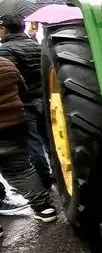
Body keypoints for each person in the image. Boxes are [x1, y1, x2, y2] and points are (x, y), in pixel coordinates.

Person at [0, 56, 56, 222]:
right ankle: (44, 208)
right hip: (13, 125)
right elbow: (23, 92)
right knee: (21, 169)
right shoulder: (6, 63)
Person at [0, 14, 51, 187]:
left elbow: (12, 81)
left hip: (25, 102)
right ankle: (57, 175)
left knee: (33, 143)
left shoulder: (5, 51)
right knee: (48, 139)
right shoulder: (34, 44)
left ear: (4, 29)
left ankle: (43, 179)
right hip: (44, 98)